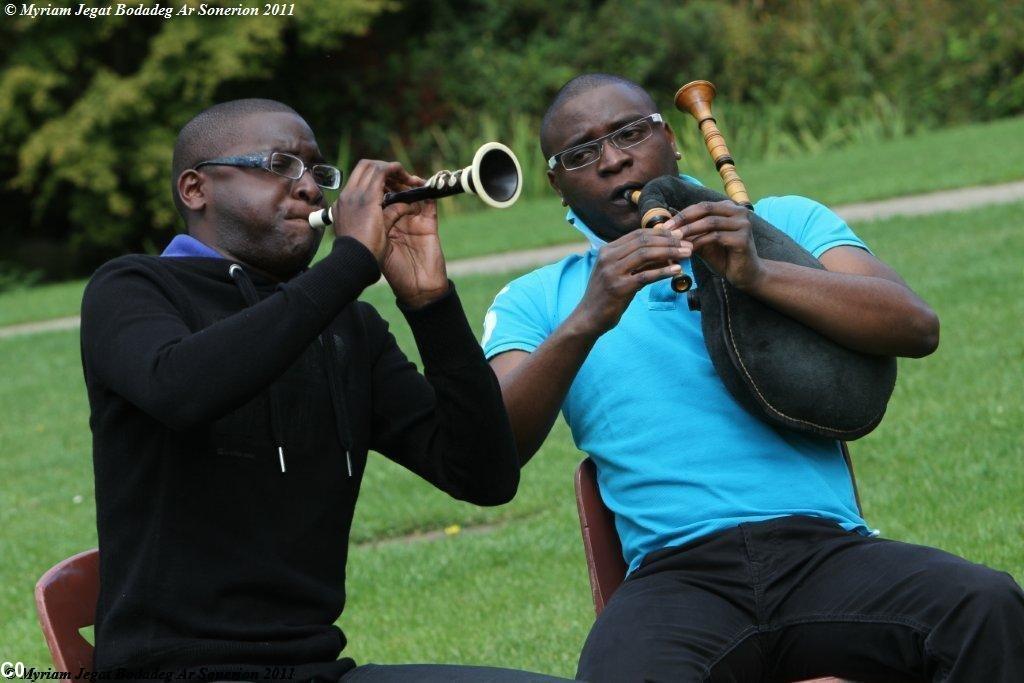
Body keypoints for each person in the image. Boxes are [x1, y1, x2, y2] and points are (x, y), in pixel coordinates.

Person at [482, 74, 1024, 682]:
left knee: (986, 607)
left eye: (629, 133)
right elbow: (494, 445)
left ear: (672, 138)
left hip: (824, 552)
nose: (613, 161)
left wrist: (760, 273)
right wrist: (588, 316)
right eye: (580, 154)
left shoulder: (781, 222)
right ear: (558, 184)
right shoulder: (537, 298)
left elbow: (915, 326)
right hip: (675, 577)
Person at [80, 99, 565, 683]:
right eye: (282, 165)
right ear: (195, 188)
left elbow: (484, 476)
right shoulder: (131, 288)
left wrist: (429, 302)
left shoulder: (346, 328)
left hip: (314, 669)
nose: (311, 189)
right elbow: (182, 390)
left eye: (317, 173)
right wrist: (352, 262)